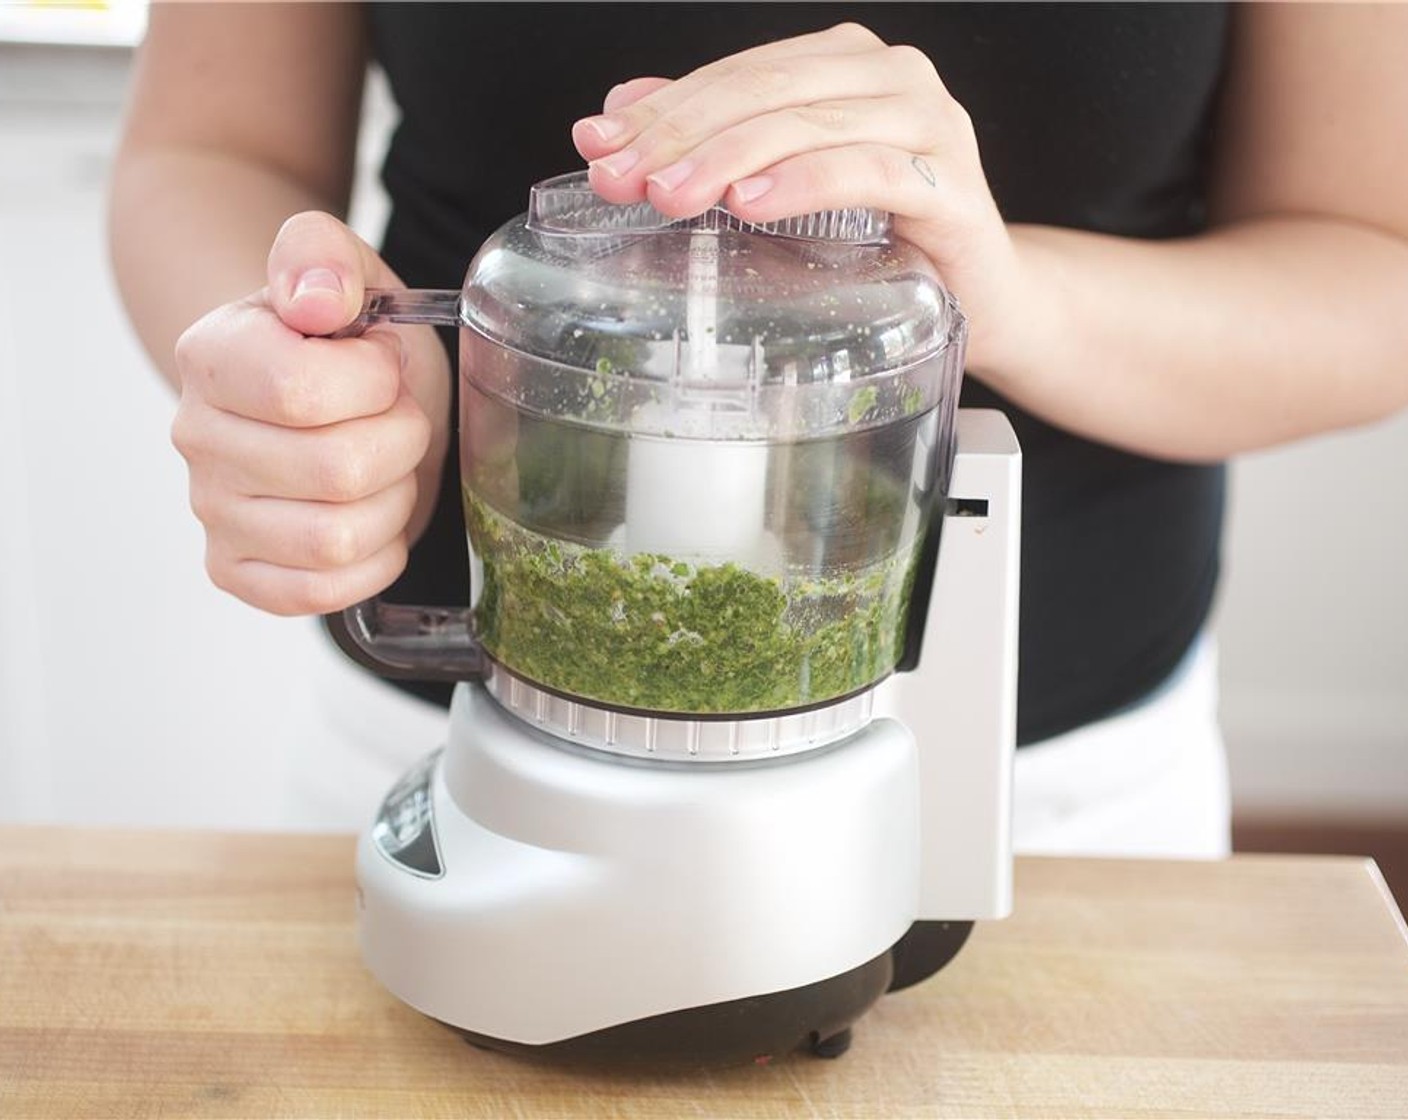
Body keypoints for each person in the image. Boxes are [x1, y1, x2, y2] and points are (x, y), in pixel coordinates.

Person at [110, 4, 1408, 851]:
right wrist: (317, 373)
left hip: (1059, 805)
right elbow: (209, 146)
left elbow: (1373, 260)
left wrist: (1008, 302)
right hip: (454, 753)